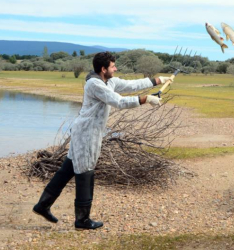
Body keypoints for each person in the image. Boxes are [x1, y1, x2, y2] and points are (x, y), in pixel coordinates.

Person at [33, 52, 172, 230]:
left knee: (67, 169)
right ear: (103, 69)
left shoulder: (109, 81)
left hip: (85, 132)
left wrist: (158, 80)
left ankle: (42, 205)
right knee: (85, 172)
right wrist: (146, 99)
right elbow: (119, 101)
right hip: (86, 134)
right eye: (113, 66)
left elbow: (131, 85)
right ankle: (82, 220)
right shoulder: (95, 84)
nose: (116, 69)